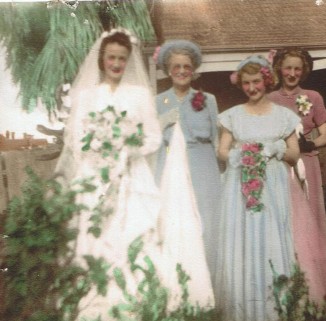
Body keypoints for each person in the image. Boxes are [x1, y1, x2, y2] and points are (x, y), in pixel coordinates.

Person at [54, 29, 214, 320]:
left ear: (128, 61)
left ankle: (134, 302)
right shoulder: (87, 95)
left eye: (122, 58)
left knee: (132, 234)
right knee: (96, 236)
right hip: (96, 177)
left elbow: (152, 138)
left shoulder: (139, 95)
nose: (116, 64)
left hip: (131, 177)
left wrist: (126, 148)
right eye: (111, 58)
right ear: (102, 59)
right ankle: (95, 304)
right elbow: (76, 140)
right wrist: (102, 152)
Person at [215, 55, 300, 321]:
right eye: (246, 84)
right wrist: (242, 155)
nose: (252, 88)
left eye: (256, 82)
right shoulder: (233, 116)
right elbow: (222, 151)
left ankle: (273, 308)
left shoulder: (284, 116)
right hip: (239, 187)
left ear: (266, 80)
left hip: (272, 186)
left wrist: (275, 148)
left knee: (271, 238)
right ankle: (244, 309)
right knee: (243, 239)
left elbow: (294, 154)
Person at [268, 48, 326, 301]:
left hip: (306, 164)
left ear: (304, 71)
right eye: (287, 68)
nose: (292, 73)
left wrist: (311, 144)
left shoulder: (312, 96)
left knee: (310, 216)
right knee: (283, 216)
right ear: (279, 68)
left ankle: (315, 279)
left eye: (297, 69)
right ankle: (285, 275)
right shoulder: (269, 99)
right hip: (279, 164)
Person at [154, 39, 222, 286]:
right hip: (171, 170)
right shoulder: (158, 101)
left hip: (202, 168)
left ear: (193, 70)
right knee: (174, 224)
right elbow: (151, 142)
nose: (182, 71)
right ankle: (173, 285)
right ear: (168, 70)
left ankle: (207, 286)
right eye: (176, 66)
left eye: (186, 66)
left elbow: (217, 141)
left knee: (207, 222)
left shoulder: (208, 100)